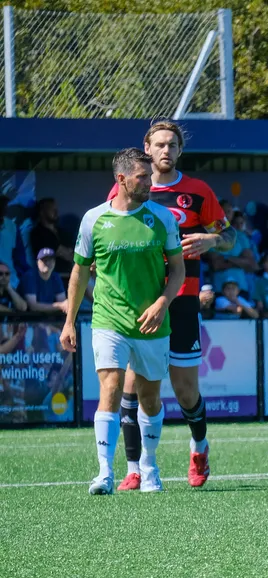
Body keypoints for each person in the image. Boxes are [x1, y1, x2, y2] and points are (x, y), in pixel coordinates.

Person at [109, 121, 236, 491]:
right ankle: (135, 468)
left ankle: (199, 446)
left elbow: (231, 236)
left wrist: (213, 239)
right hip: (138, 303)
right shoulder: (128, 188)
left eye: (172, 145)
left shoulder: (197, 191)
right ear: (146, 148)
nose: (166, 150)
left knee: (185, 392)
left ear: (180, 151)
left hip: (181, 303)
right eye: (159, 144)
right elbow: (108, 228)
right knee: (131, 387)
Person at [60, 148, 185, 495]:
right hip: (107, 320)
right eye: (142, 177)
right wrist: (70, 321)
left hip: (152, 323)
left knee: (150, 399)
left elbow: (178, 270)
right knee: (110, 388)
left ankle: (149, 466)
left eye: (149, 176)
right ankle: (104, 472)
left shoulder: (163, 218)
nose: (149, 182)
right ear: (121, 179)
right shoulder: (93, 219)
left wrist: (162, 302)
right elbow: (80, 272)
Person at [28, 198, 74, 275]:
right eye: (52, 209)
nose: (56, 212)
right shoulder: (37, 233)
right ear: (42, 212)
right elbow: (62, 254)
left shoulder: (63, 232)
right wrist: (63, 252)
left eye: (56, 209)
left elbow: (74, 255)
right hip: (50, 276)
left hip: (69, 274)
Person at [20, 248, 67, 313]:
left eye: (50, 260)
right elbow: (33, 306)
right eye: (44, 260)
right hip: (28, 320)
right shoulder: (30, 276)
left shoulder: (56, 277)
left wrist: (62, 305)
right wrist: (59, 306)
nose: (47, 263)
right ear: (37, 262)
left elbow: (63, 302)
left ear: (54, 262)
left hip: (50, 320)